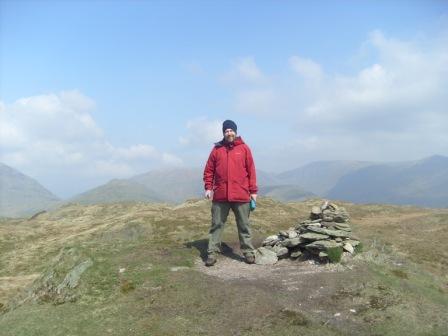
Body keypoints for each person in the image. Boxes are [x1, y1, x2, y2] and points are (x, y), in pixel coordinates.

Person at [203, 120, 258, 266]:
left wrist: (253, 191)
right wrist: (208, 187)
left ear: (235, 132)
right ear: (223, 133)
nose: (229, 133)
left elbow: (251, 171)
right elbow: (209, 170)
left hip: (241, 195)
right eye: (226, 131)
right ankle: (212, 253)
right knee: (216, 225)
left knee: (244, 225)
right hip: (221, 195)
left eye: (231, 130)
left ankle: (248, 253)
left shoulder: (244, 148)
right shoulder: (216, 150)